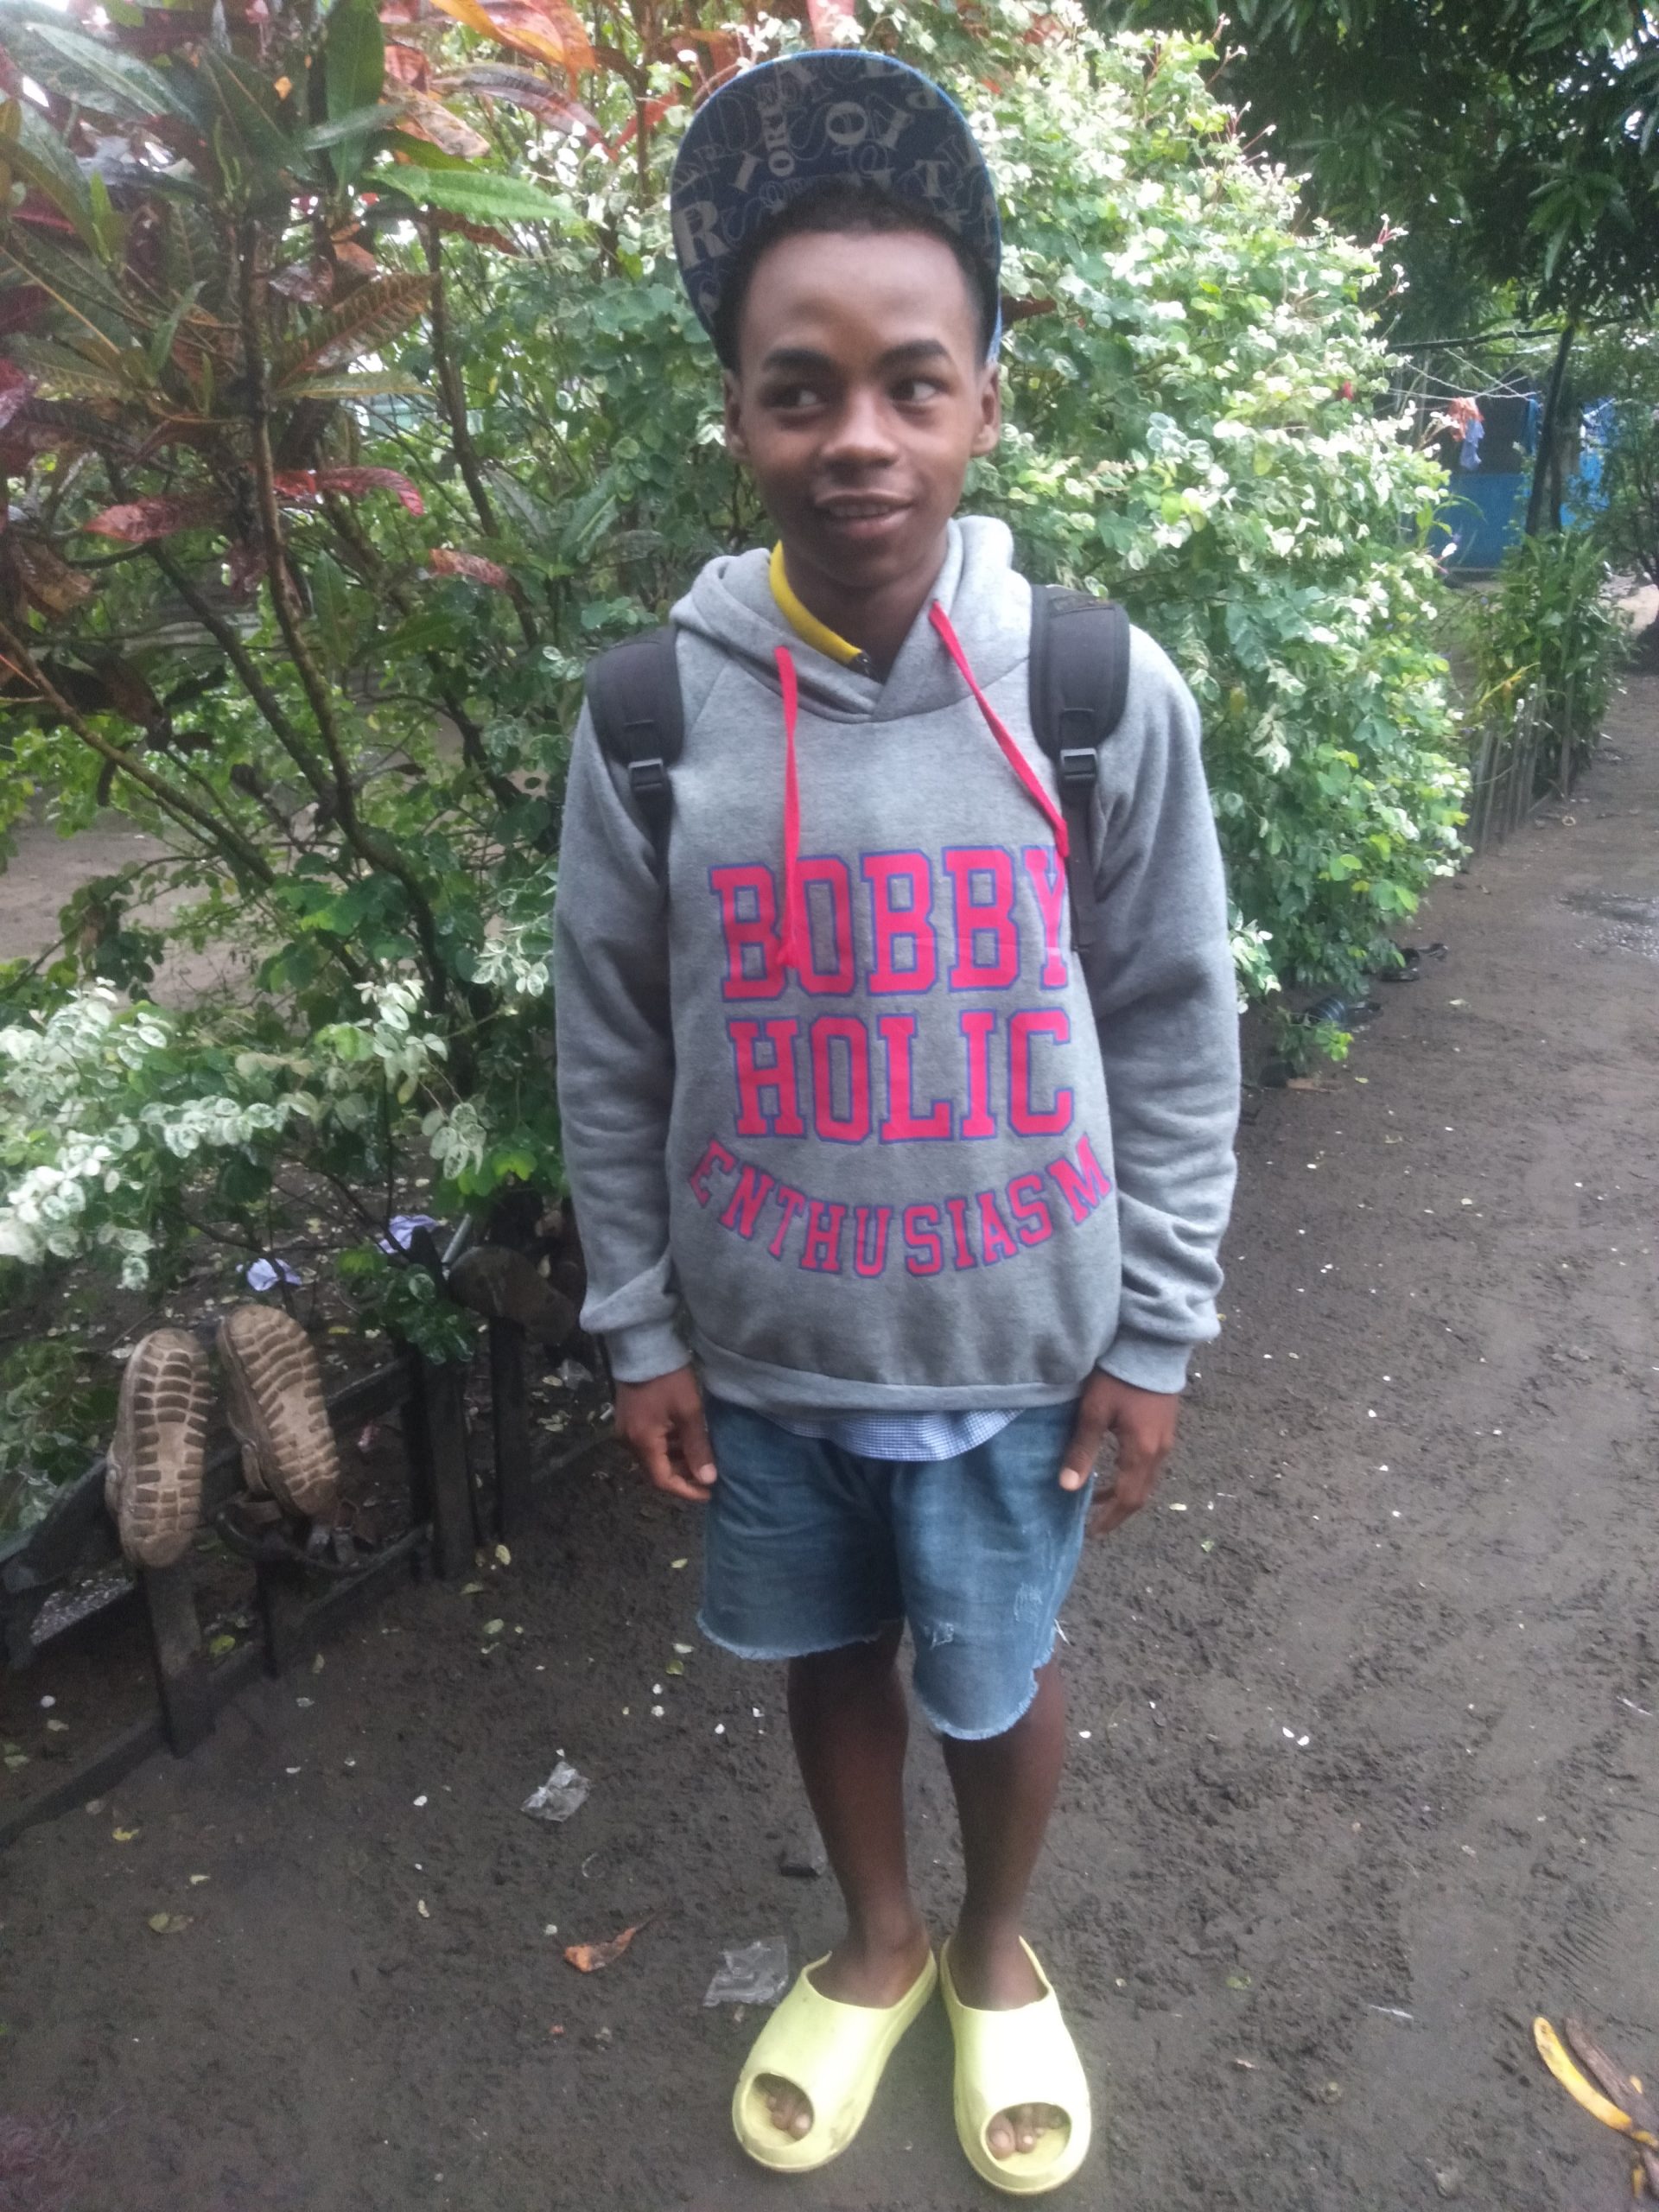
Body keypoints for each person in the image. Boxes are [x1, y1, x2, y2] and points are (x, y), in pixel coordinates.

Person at [553, 48, 1239, 2195]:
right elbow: (612, 1042)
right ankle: (875, 1933)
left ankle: (997, 1944)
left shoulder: (1091, 689)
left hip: (1019, 1352)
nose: (856, 434)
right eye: (801, 388)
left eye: (909, 383)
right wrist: (640, 1321)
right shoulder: (653, 718)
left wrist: (1156, 1328)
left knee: (999, 1669)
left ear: (983, 403)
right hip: (772, 1352)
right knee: (830, 1651)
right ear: (740, 413)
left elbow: (1173, 1020)